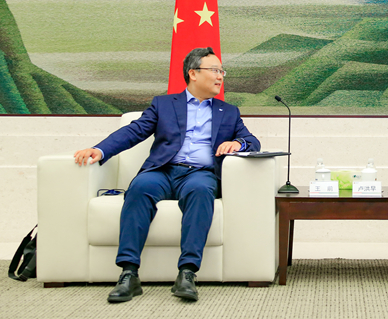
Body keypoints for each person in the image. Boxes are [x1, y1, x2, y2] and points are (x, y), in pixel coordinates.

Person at [74, 47, 260, 303]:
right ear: (193, 73)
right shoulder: (163, 104)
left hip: (200, 174)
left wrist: (238, 143)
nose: (220, 76)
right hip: (162, 170)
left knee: (201, 191)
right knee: (139, 188)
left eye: (222, 71)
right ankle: (129, 274)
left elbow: (252, 141)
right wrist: (100, 149)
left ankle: (187, 273)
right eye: (215, 70)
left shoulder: (228, 111)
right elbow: (134, 131)